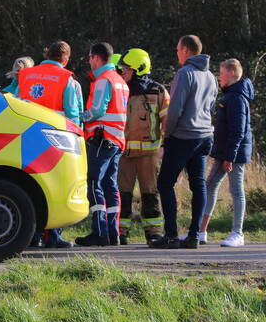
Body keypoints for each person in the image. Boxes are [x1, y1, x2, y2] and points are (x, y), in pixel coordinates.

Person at [150, 35, 218, 249]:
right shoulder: (210, 76)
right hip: (205, 135)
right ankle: (194, 235)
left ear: (187, 50)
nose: (177, 53)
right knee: (198, 184)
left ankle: (170, 235)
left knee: (165, 183)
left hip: (183, 136)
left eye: (178, 49)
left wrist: (166, 135)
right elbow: (211, 105)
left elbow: (175, 108)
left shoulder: (185, 73)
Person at [17, 41, 83, 248]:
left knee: (29, 184)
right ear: (65, 60)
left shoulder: (26, 75)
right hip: (55, 139)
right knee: (56, 186)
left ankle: (32, 235)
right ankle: (53, 236)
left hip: (26, 136)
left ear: (47, 53)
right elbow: (72, 115)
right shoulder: (66, 79)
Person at [75, 42, 130, 247]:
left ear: (97, 58)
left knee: (93, 182)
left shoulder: (103, 80)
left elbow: (97, 111)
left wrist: (78, 118)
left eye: (90, 57)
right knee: (110, 184)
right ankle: (113, 233)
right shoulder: (120, 81)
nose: (89, 61)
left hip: (102, 138)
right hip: (116, 140)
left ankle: (99, 232)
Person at [115, 48, 169, 245]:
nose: (123, 72)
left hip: (149, 153)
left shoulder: (158, 91)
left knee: (150, 194)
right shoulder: (121, 89)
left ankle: (154, 232)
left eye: (127, 68)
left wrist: (165, 145)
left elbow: (167, 120)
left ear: (138, 68)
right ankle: (120, 232)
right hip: (124, 152)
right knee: (123, 194)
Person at [197, 58, 253, 247]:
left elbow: (238, 130)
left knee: (236, 190)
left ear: (231, 74)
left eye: (221, 73)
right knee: (210, 185)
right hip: (224, 152)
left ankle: (238, 233)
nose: (219, 77)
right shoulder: (230, 95)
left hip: (233, 154)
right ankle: (200, 231)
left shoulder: (237, 98)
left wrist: (229, 157)